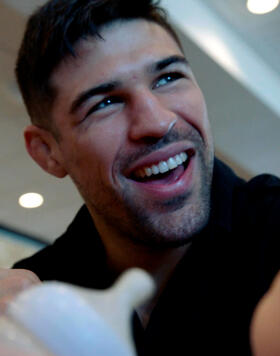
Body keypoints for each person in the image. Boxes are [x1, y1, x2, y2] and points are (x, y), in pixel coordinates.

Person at [0, 0, 279, 354]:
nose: (157, 122)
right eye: (104, 103)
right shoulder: (37, 300)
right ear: (47, 152)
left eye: (168, 78)